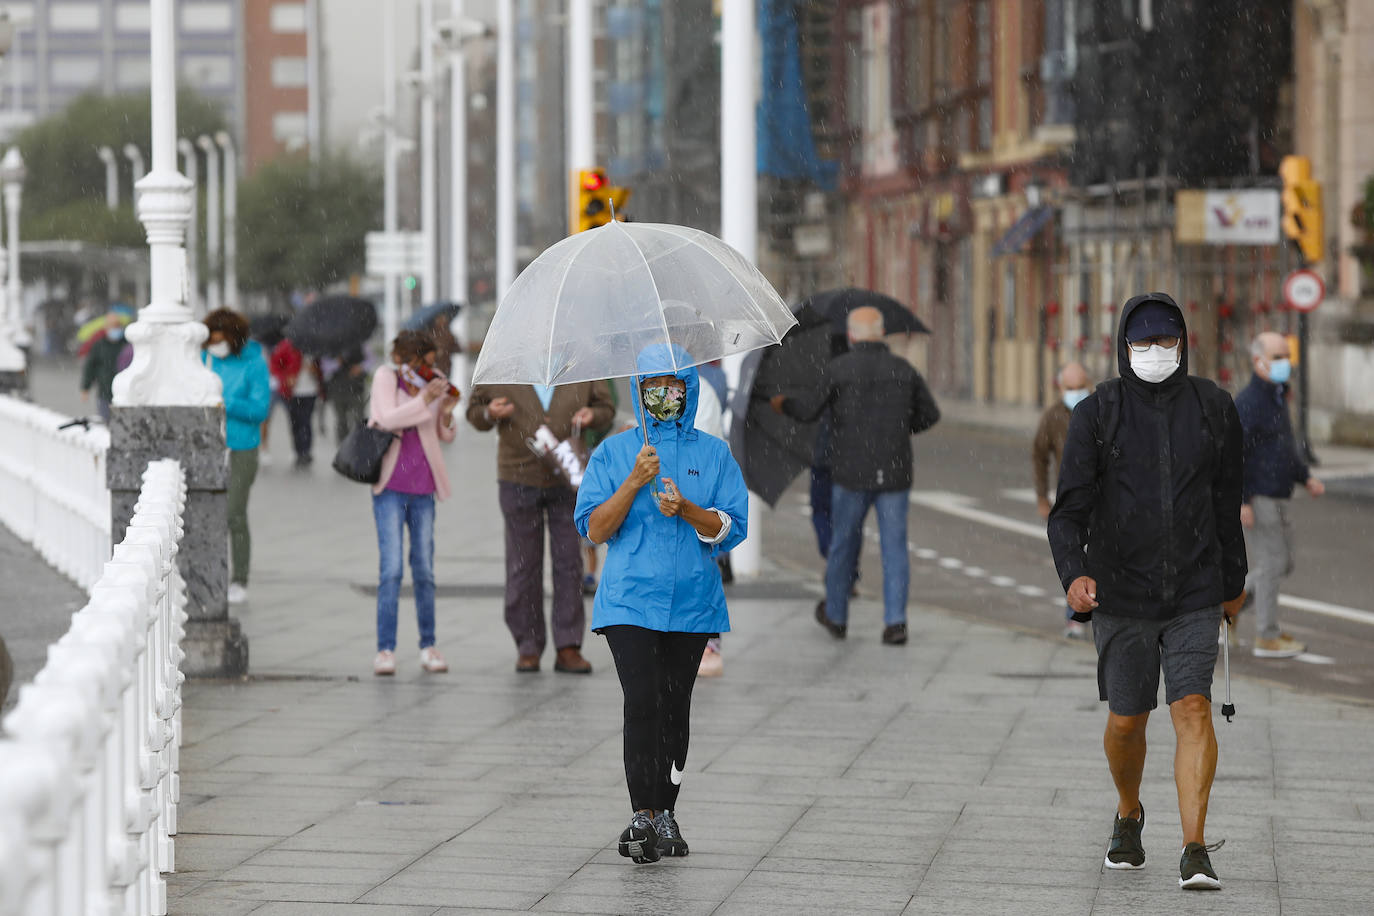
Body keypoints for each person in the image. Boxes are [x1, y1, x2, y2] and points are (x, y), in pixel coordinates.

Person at [1048, 293, 1247, 891]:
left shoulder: (1214, 408)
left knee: (1192, 709)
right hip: (1121, 593)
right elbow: (1068, 513)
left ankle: (1194, 849)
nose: (1156, 353)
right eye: (1144, 344)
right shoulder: (1097, 413)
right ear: (1123, 347)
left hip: (1194, 589)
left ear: (1184, 345)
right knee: (1127, 721)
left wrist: (1231, 586)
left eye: (1167, 343)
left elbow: (1226, 505)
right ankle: (1129, 812)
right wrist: (1073, 577)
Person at [574, 347, 749, 864]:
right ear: (639, 391)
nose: (665, 396)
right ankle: (642, 813)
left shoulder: (713, 455)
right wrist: (633, 482)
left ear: (690, 389)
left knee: (676, 706)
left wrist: (688, 508)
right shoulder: (614, 453)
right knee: (642, 699)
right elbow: (594, 528)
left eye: (674, 387)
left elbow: (729, 529)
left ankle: (667, 811)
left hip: (693, 603)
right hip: (630, 601)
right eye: (654, 387)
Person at [771, 306, 940, 645]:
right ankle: (895, 623)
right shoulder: (903, 369)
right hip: (894, 472)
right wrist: (900, 427)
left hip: (849, 471)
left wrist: (783, 403)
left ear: (851, 336)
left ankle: (836, 614)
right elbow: (929, 415)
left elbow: (808, 410)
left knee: (842, 545)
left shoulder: (839, 369)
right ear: (880, 334)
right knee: (894, 548)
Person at [467, 377, 614, 673]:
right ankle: (528, 644)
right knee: (523, 564)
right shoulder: (504, 363)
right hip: (517, 476)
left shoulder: (578, 361)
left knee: (569, 561)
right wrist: (490, 413)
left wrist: (591, 416)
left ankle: (568, 645)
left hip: (567, 473)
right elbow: (475, 413)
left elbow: (606, 408)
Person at [368, 331, 459, 676]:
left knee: (424, 569)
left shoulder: (434, 384)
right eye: (426, 363)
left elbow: (443, 433)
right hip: (390, 485)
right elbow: (387, 418)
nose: (430, 370)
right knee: (391, 569)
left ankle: (428, 644)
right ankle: (385, 649)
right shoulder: (385, 377)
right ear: (410, 359)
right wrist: (423, 401)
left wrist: (446, 411)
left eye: (433, 365)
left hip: (424, 486)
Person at [1236, 331, 1324, 659]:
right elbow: (1236, 454)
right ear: (1258, 361)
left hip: (1277, 491)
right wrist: (1242, 499)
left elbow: (1284, 447)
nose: (1284, 363)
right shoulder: (1249, 403)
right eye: (1277, 357)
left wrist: (1305, 477)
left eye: (1286, 356)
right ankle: (1267, 635)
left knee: (1283, 563)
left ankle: (1227, 611)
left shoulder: (1277, 395)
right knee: (1273, 563)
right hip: (1259, 495)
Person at [201, 308, 272, 605]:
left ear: (233, 337)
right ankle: (209, 573)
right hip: (208, 447)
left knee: (234, 513)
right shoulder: (203, 360)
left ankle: (239, 578)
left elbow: (259, 410)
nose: (215, 346)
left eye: (220, 339)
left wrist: (223, 401)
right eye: (211, 340)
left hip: (242, 448)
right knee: (207, 514)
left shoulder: (254, 363)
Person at [1031, 360, 1092, 639]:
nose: (1076, 392)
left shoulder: (1101, 410)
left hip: (1104, 497)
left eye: (1081, 387)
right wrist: (1042, 497)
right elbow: (1039, 456)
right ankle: (1076, 615)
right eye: (1071, 388)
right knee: (1072, 552)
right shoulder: (1053, 417)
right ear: (1061, 387)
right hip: (1071, 498)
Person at [270, 337, 322, 468]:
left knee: (306, 421)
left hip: (310, 391)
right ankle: (298, 450)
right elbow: (275, 365)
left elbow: (322, 370)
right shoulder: (286, 346)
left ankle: (306, 451)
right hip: (292, 392)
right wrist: (286, 377)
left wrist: (314, 369)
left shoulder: (316, 347)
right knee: (295, 422)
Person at [79, 311, 130, 422]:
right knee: (106, 421)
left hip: (124, 393)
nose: (115, 329)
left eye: (117, 326)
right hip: (104, 392)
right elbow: (90, 367)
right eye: (112, 326)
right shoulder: (99, 345)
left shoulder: (127, 345)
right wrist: (85, 388)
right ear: (106, 328)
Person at [321, 345, 371, 443]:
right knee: (341, 419)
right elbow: (325, 367)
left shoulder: (360, 344)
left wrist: (360, 367)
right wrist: (336, 363)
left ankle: (360, 441)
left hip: (356, 388)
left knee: (359, 417)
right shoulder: (330, 347)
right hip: (338, 390)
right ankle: (343, 443)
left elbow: (371, 360)